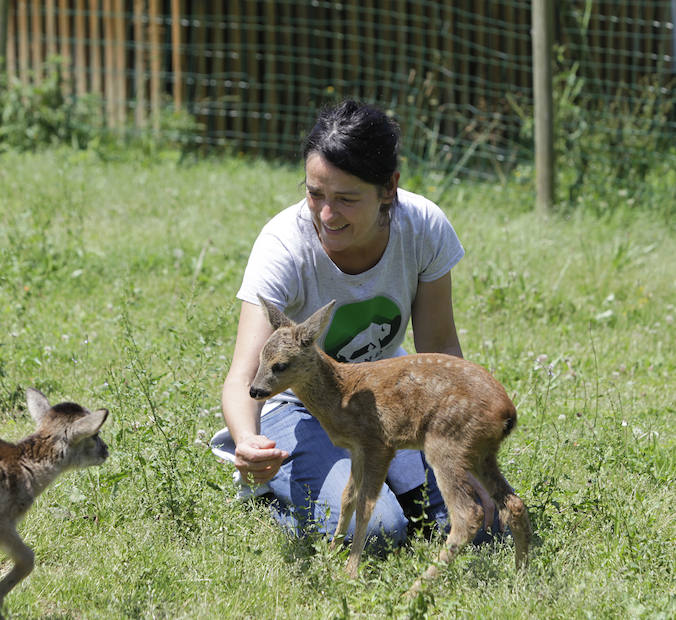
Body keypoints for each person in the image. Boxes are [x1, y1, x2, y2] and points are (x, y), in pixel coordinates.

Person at [213, 99, 499, 551]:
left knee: (481, 523)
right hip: (296, 408)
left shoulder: (422, 227)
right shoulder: (283, 246)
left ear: (389, 189)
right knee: (380, 531)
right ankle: (271, 498)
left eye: (346, 199)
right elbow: (244, 375)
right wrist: (248, 441)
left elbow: (441, 347)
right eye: (315, 194)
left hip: (384, 399)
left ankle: (390, 497)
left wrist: (463, 445)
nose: (327, 215)